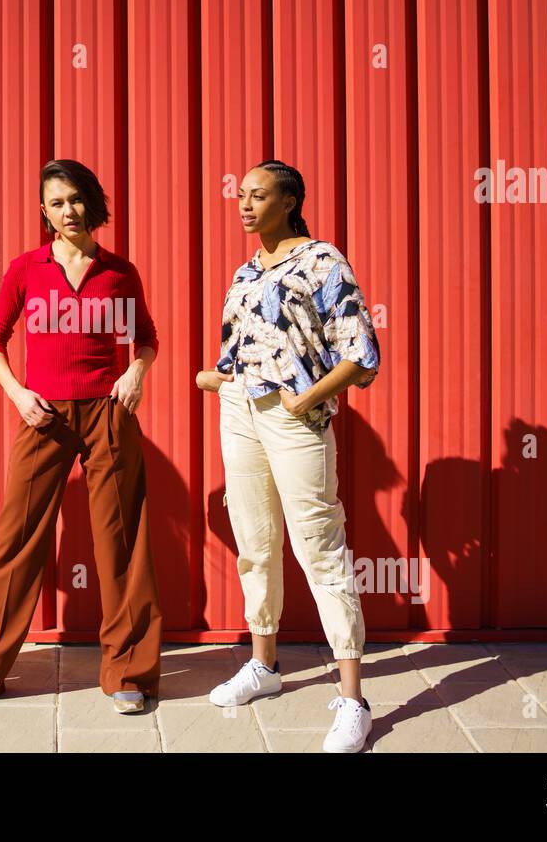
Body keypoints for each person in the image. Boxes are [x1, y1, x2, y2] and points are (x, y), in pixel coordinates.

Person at [0, 159, 163, 715]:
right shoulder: (26, 269)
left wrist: (136, 372)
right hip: (44, 414)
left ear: (91, 203)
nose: (68, 211)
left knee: (120, 544)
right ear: (44, 212)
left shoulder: (118, 272)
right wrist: (18, 394)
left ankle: (128, 672)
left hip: (108, 413)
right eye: (56, 203)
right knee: (16, 540)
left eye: (76, 200)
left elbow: (147, 338)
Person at [195, 159, 380, 752]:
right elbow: (236, 349)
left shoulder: (323, 261)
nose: (245, 204)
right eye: (241, 195)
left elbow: (362, 352)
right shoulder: (246, 271)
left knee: (320, 549)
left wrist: (309, 400)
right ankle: (265, 667)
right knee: (254, 544)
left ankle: (354, 700)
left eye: (259, 195)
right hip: (240, 414)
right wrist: (218, 379)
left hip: (295, 420)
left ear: (290, 200)